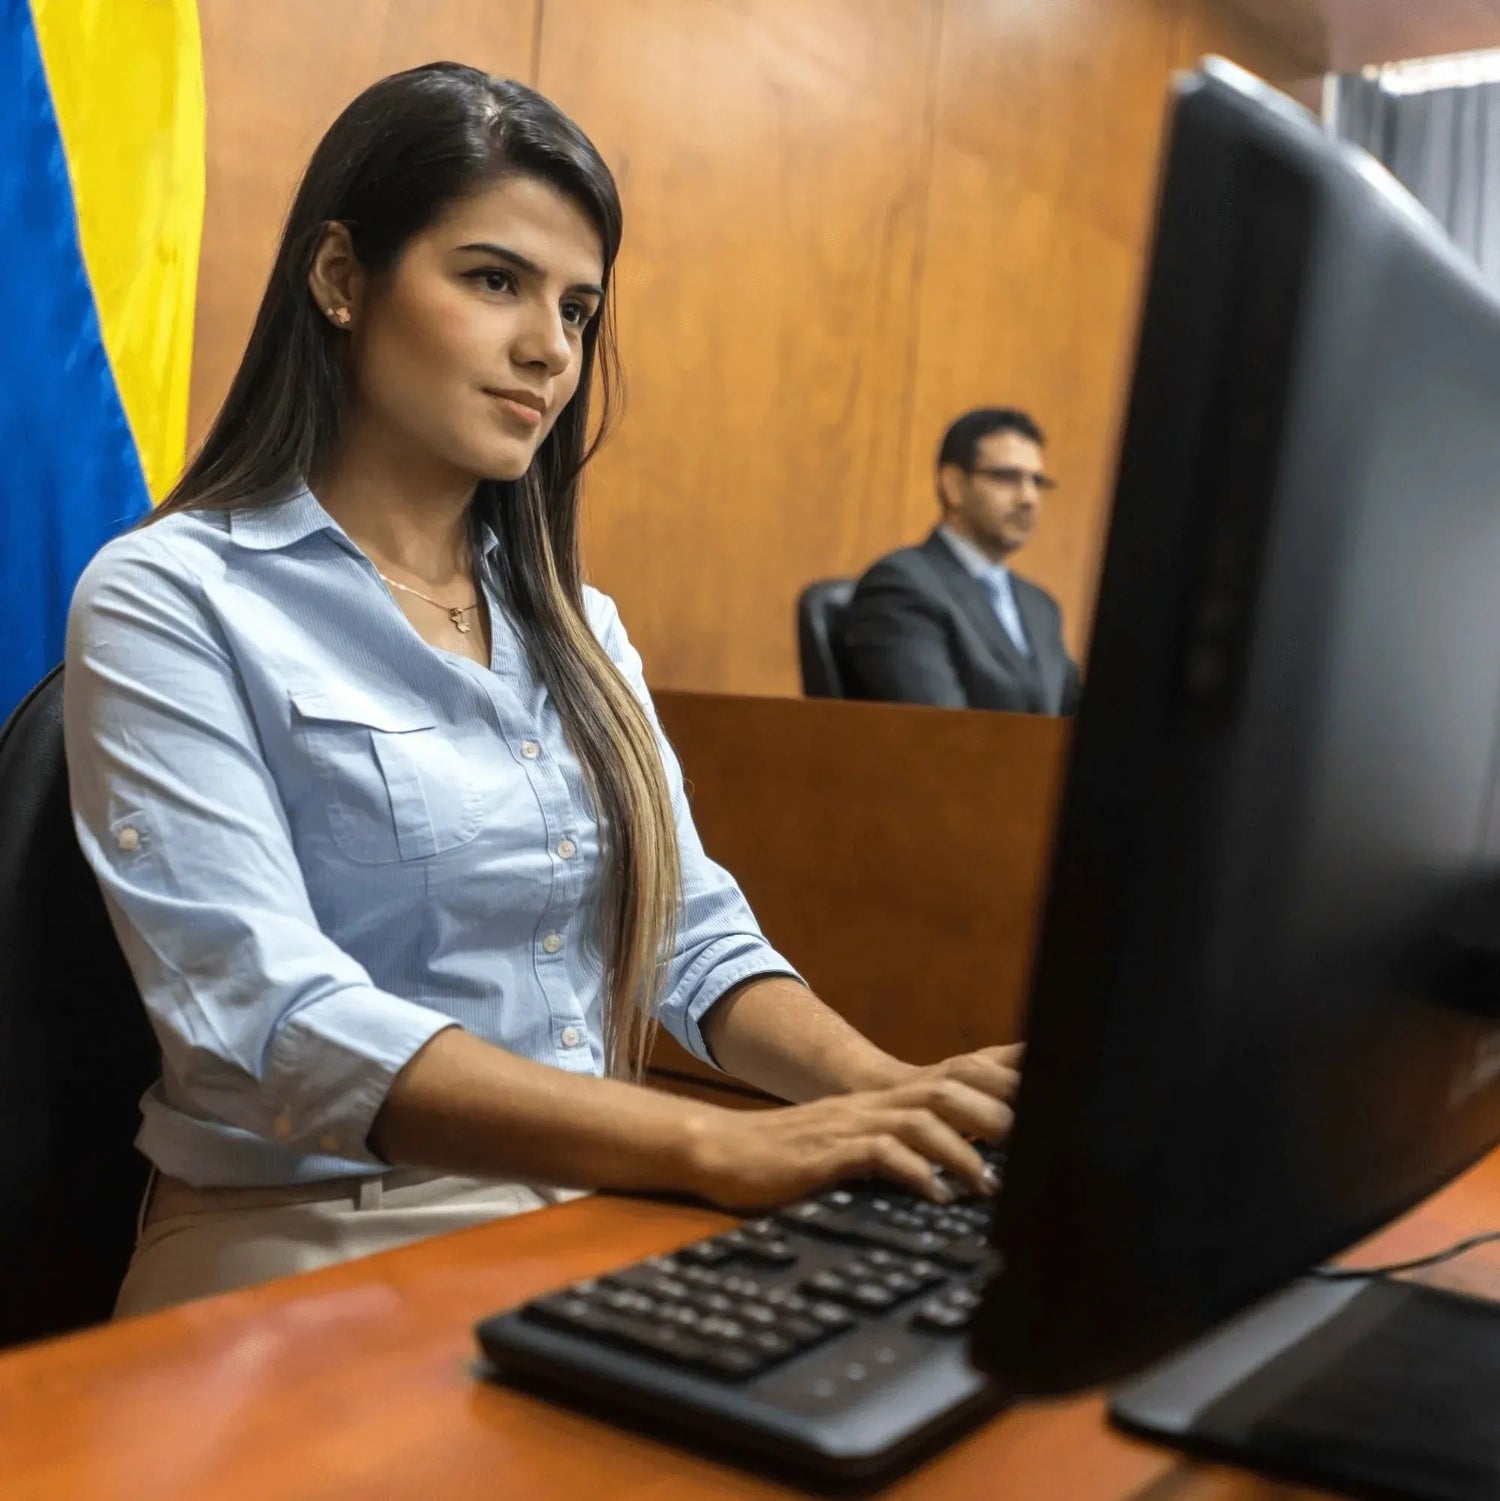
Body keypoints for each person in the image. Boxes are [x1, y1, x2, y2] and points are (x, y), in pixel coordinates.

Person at [63, 64, 1020, 1317]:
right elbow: (270, 1021)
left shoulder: (575, 620)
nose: (550, 350)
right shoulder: (170, 594)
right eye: (493, 281)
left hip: (582, 1204)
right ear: (341, 277)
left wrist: (887, 1090)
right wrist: (715, 1142)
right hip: (307, 1232)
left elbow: (686, 931)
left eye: (578, 309)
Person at [836, 408, 1081, 714]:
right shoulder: (902, 587)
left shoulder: (1038, 605)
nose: (1028, 498)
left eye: (1037, 481)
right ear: (953, 485)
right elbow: (942, 727)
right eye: (1007, 478)